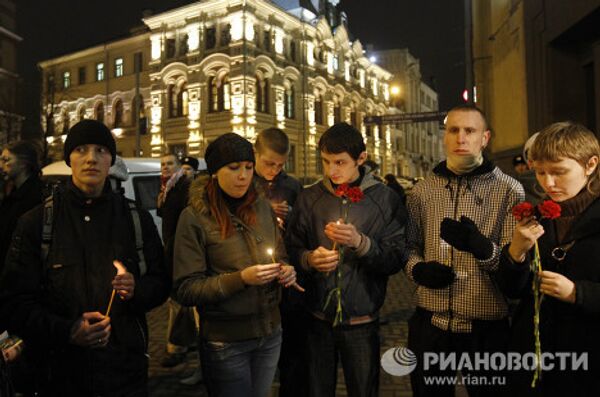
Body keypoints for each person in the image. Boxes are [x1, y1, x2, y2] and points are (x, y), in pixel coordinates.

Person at [0, 119, 169, 396]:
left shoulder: (135, 218)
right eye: (81, 149)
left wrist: (136, 290)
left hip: (124, 373)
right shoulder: (36, 222)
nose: (91, 158)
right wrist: (68, 330)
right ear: (69, 159)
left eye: (101, 150)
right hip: (58, 375)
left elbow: (161, 282)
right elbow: (14, 302)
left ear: (110, 160)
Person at [404, 105, 524, 396]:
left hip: (484, 328)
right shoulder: (423, 190)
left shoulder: (509, 190)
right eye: (453, 130)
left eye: (469, 131)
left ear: (484, 138)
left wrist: (483, 249)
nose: (460, 138)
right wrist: (417, 269)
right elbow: (409, 246)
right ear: (444, 136)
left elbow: (514, 263)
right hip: (431, 323)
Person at [172, 132, 299, 397]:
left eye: (248, 168)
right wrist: (241, 278)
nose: (243, 175)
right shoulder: (194, 217)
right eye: (234, 168)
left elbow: (281, 254)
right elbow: (186, 288)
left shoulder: (262, 207)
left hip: (270, 332)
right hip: (225, 342)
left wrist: (286, 270)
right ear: (215, 172)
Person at [286, 122, 407, 397]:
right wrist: (308, 259)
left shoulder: (385, 200)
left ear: (361, 159)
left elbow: (397, 258)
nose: (331, 171)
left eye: (340, 162)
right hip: (317, 320)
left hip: (362, 322)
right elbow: (291, 249)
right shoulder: (309, 198)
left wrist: (360, 244)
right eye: (326, 162)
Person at [497, 121, 600, 396]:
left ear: (590, 164)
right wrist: (516, 251)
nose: (548, 183)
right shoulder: (537, 216)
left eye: (559, 172)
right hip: (533, 358)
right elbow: (512, 290)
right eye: (541, 172)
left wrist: (578, 293)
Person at [252, 127, 305, 397]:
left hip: (287, 274)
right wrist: (262, 212)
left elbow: (303, 230)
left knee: (291, 350)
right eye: (268, 163)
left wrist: (292, 214)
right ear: (255, 154)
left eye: (280, 165)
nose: (274, 170)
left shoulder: (293, 186)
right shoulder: (245, 182)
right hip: (255, 276)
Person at [157, 153, 197, 368]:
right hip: (172, 249)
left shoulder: (183, 187)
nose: (165, 167)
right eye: (162, 164)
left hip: (180, 252)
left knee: (179, 301)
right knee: (180, 303)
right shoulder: (168, 187)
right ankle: (186, 342)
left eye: (169, 163)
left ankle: (177, 347)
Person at [0, 141, 44, 276]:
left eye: (6, 160)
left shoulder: (36, 198)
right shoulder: (12, 194)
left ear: (24, 163)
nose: (1, 166)